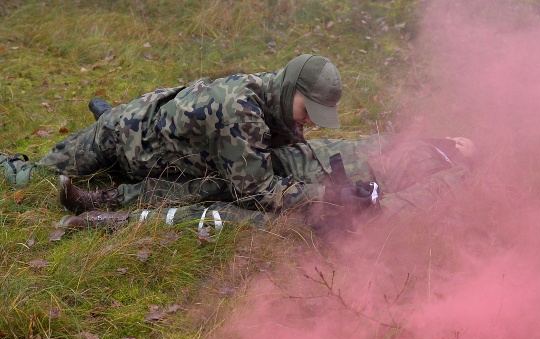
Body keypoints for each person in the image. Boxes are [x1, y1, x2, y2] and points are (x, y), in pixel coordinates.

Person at [34, 54, 371, 217]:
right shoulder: (242, 112)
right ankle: (100, 193)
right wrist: (327, 198)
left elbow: (290, 153)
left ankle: (110, 115)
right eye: (309, 109)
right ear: (291, 89)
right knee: (34, 175)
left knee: (227, 178)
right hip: (123, 140)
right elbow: (260, 192)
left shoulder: (273, 92)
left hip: (166, 130)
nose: (312, 121)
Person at [57, 133, 476, 233]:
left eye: (469, 144)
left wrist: (368, 205)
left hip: (333, 201)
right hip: (309, 161)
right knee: (214, 181)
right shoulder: (427, 140)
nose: (463, 139)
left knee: (225, 216)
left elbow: (413, 202)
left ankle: (115, 221)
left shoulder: (457, 176)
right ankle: (105, 196)